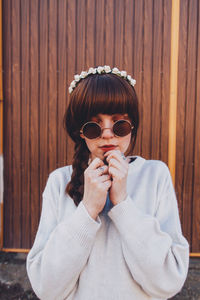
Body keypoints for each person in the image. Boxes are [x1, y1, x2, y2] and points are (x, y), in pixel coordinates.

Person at [26, 66, 189, 300]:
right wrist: (88, 210)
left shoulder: (155, 175)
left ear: (133, 126)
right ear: (81, 132)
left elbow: (168, 281)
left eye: (119, 123)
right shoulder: (59, 181)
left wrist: (122, 204)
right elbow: (46, 288)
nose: (107, 134)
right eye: (93, 126)